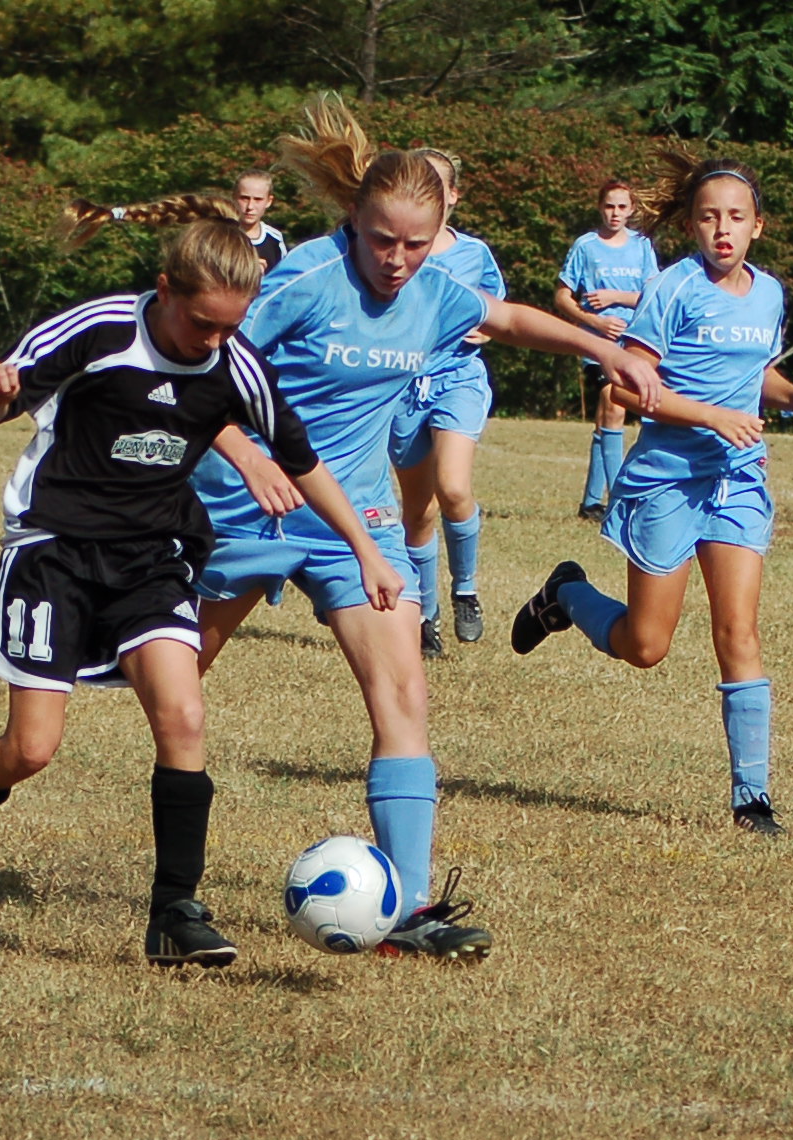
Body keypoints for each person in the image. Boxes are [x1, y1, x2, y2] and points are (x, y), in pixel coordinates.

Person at [194, 97, 665, 960]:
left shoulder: (437, 291)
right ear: (354, 218)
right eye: (382, 241)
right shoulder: (301, 279)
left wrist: (607, 350)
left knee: (404, 695)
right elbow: (208, 369)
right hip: (246, 503)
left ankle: (405, 910)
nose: (398, 260)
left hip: (357, 520)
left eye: (417, 243)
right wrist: (246, 458)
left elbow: (508, 318)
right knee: (169, 684)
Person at [0, 203, 386, 967]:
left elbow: (302, 459)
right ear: (165, 289)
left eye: (229, 327)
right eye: (202, 324)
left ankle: (174, 914)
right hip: (54, 550)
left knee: (184, 715)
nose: (213, 342)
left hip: (154, 558)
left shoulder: (235, 364)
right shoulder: (99, 330)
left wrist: (366, 550)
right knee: (30, 749)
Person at [510, 151, 793, 840]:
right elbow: (626, 388)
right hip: (667, 480)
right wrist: (712, 416)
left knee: (739, 631)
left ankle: (752, 800)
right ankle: (566, 593)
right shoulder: (673, 288)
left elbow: (757, 374)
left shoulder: (769, 294)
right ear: (690, 225)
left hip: (737, 478)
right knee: (646, 645)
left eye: (736, 217)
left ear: (758, 226)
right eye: (709, 217)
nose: (722, 229)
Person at [390, 151, 505, 658]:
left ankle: (466, 590)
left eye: (436, 185)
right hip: (402, 389)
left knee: (454, 487)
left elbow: (495, 310)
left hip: (457, 378)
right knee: (417, 512)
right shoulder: (392, 251)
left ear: (453, 196)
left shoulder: (474, 253)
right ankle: (425, 617)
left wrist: (485, 328)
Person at [555, 178, 660, 519]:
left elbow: (653, 295)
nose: (615, 213)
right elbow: (562, 297)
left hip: (634, 342)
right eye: (609, 206)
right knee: (614, 404)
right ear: (600, 208)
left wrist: (616, 297)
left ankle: (590, 503)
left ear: (632, 210)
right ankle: (618, 499)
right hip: (597, 344)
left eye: (622, 207)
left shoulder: (642, 246)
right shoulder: (586, 246)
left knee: (607, 415)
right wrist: (594, 321)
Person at [234, 172, 288, 268]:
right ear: (234, 197)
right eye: (244, 198)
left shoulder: (275, 239)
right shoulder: (220, 236)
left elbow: (283, 275)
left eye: (258, 199)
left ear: (269, 201)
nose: (250, 206)